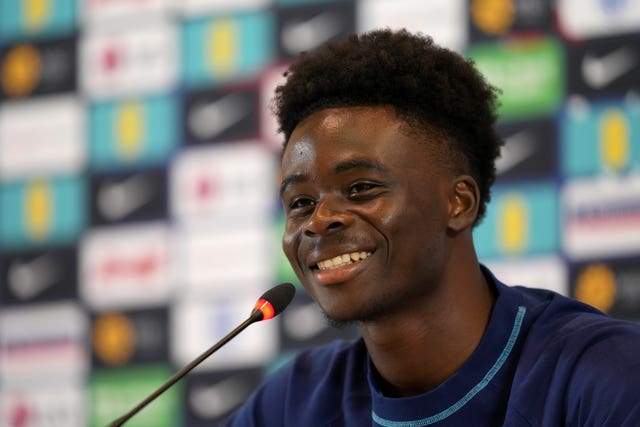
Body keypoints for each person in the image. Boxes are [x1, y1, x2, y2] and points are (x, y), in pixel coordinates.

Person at [223, 29, 640, 426]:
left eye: (361, 188)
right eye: (301, 203)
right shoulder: (291, 403)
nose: (318, 220)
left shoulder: (606, 376)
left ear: (458, 203)